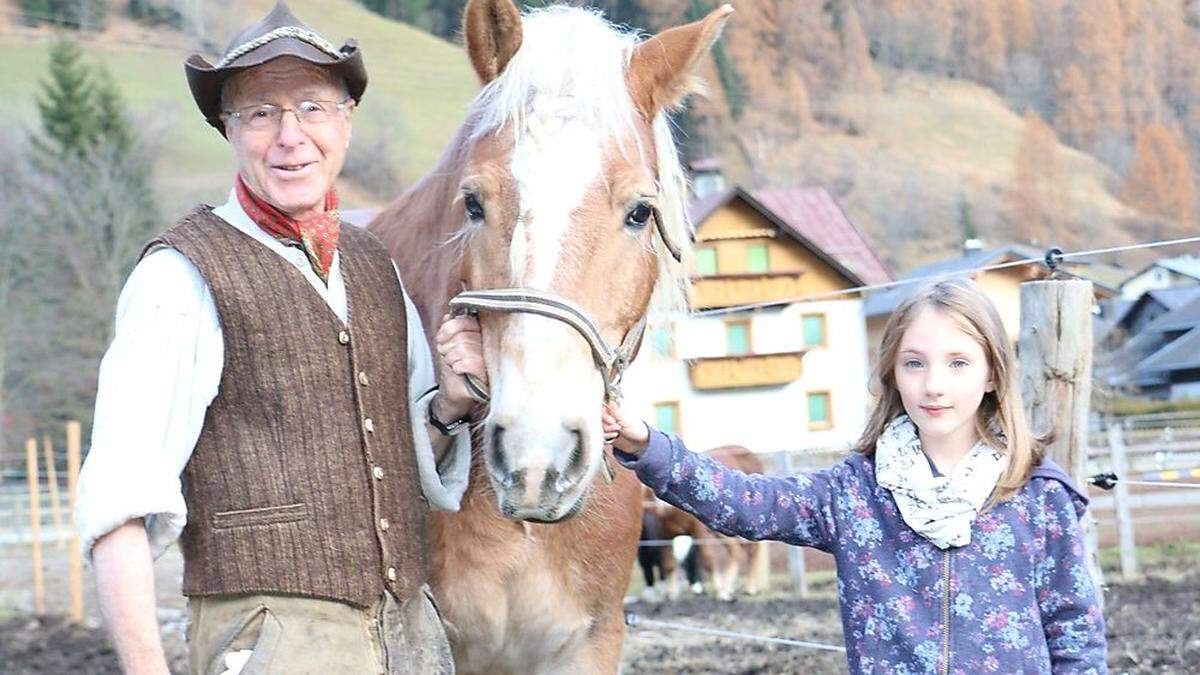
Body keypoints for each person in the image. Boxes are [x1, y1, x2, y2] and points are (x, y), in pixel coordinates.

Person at [74, 3, 483, 673]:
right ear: (228, 131)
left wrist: (451, 407)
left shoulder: (374, 263)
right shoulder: (179, 277)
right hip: (270, 647)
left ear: (346, 120)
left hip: (408, 640)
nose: (290, 136)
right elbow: (117, 504)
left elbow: (406, 457)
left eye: (313, 108)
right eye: (261, 113)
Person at [603, 278, 1107, 674]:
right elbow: (746, 501)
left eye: (958, 363)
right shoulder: (855, 493)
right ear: (892, 372)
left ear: (993, 372)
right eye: (915, 363)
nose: (934, 384)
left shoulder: (1037, 494)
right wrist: (649, 445)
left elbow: (1074, 629)